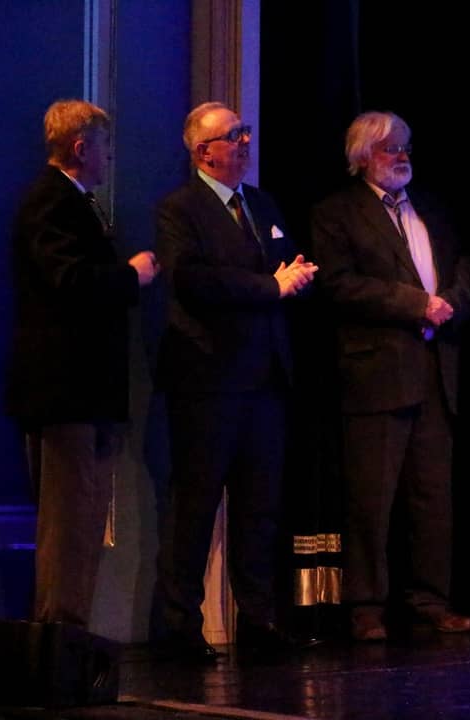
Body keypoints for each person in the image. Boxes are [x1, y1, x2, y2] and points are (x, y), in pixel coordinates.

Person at [152, 101, 317, 662]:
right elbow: (193, 281)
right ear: (204, 152)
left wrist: (297, 276)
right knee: (195, 508)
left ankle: (258, 620)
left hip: (266, 380)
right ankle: (180, 627)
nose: (245, 142)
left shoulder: (261, 203)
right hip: (208, 381)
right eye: (234, 135)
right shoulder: (180, 209)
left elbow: (286, 264)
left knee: (259, 508)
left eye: (245, 132)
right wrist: (270, 286)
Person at [311, 111, 470, 641]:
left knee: (433, 496)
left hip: (435, 370)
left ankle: (430, 600)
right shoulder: (338, 213)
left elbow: (462, 269)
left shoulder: (431, 208)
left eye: (405, 147)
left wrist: (451, 303)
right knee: (372, 498)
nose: (402, 157)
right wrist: (415, 304)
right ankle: (366, 606)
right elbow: (340, 284)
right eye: (389, 149)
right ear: (363, 156)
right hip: (377, 373)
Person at [6, 99, 159, 628]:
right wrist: (131, 275)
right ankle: (58, 640)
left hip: (85, 393)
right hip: (65, 392)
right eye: (105, 145)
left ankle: (67, 639)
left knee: (84, 520)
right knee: (69, 523)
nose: (110, 156)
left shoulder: (72, 201)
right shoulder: (50, 201)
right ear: (81, 147)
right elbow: (68, 281)